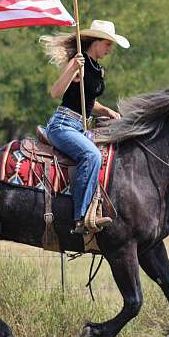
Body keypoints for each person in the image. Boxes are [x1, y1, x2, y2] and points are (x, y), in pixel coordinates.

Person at [42, 20, 130, 234]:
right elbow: (56, 92)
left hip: (81, 126)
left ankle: (97, 206)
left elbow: (88, 102)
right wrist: (72, 67)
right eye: (107, 43)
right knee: (92, 156)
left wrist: (108, 111)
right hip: (63, 125)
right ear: (95, 42)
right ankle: (81, 217)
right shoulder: (79, 63)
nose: (110, 48)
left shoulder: (97, 69)